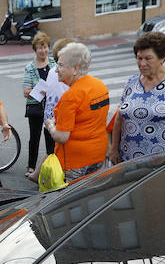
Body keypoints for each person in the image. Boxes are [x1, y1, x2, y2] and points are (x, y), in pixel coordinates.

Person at [110, 32, 165, 163]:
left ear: (162, 57)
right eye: (139, 58)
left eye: (148, 58)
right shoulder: (132, 82)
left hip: (163, 159)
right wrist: (114, 149)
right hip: (129, 158)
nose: (142, 63)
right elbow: (120, 117)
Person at [43, 43, 110, 182]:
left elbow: (61, 137)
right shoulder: (100, 85)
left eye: (61, 65)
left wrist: (50, 125)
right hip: (98, 154)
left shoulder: (71, 96)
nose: (56, 70)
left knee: (71, 201)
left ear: (75, 69)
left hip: (75, 162)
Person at [22, 32, 55, 177]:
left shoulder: (54, 64)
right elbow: (26, 91)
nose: (43, 50)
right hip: (36, 107)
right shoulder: (29, 68)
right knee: (34, 137)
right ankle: (31, 166)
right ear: (35, 49)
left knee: (50, 136)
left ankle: (52, 165)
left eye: (45, 47)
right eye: (40, 48)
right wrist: (41, 91)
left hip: (52, 107)